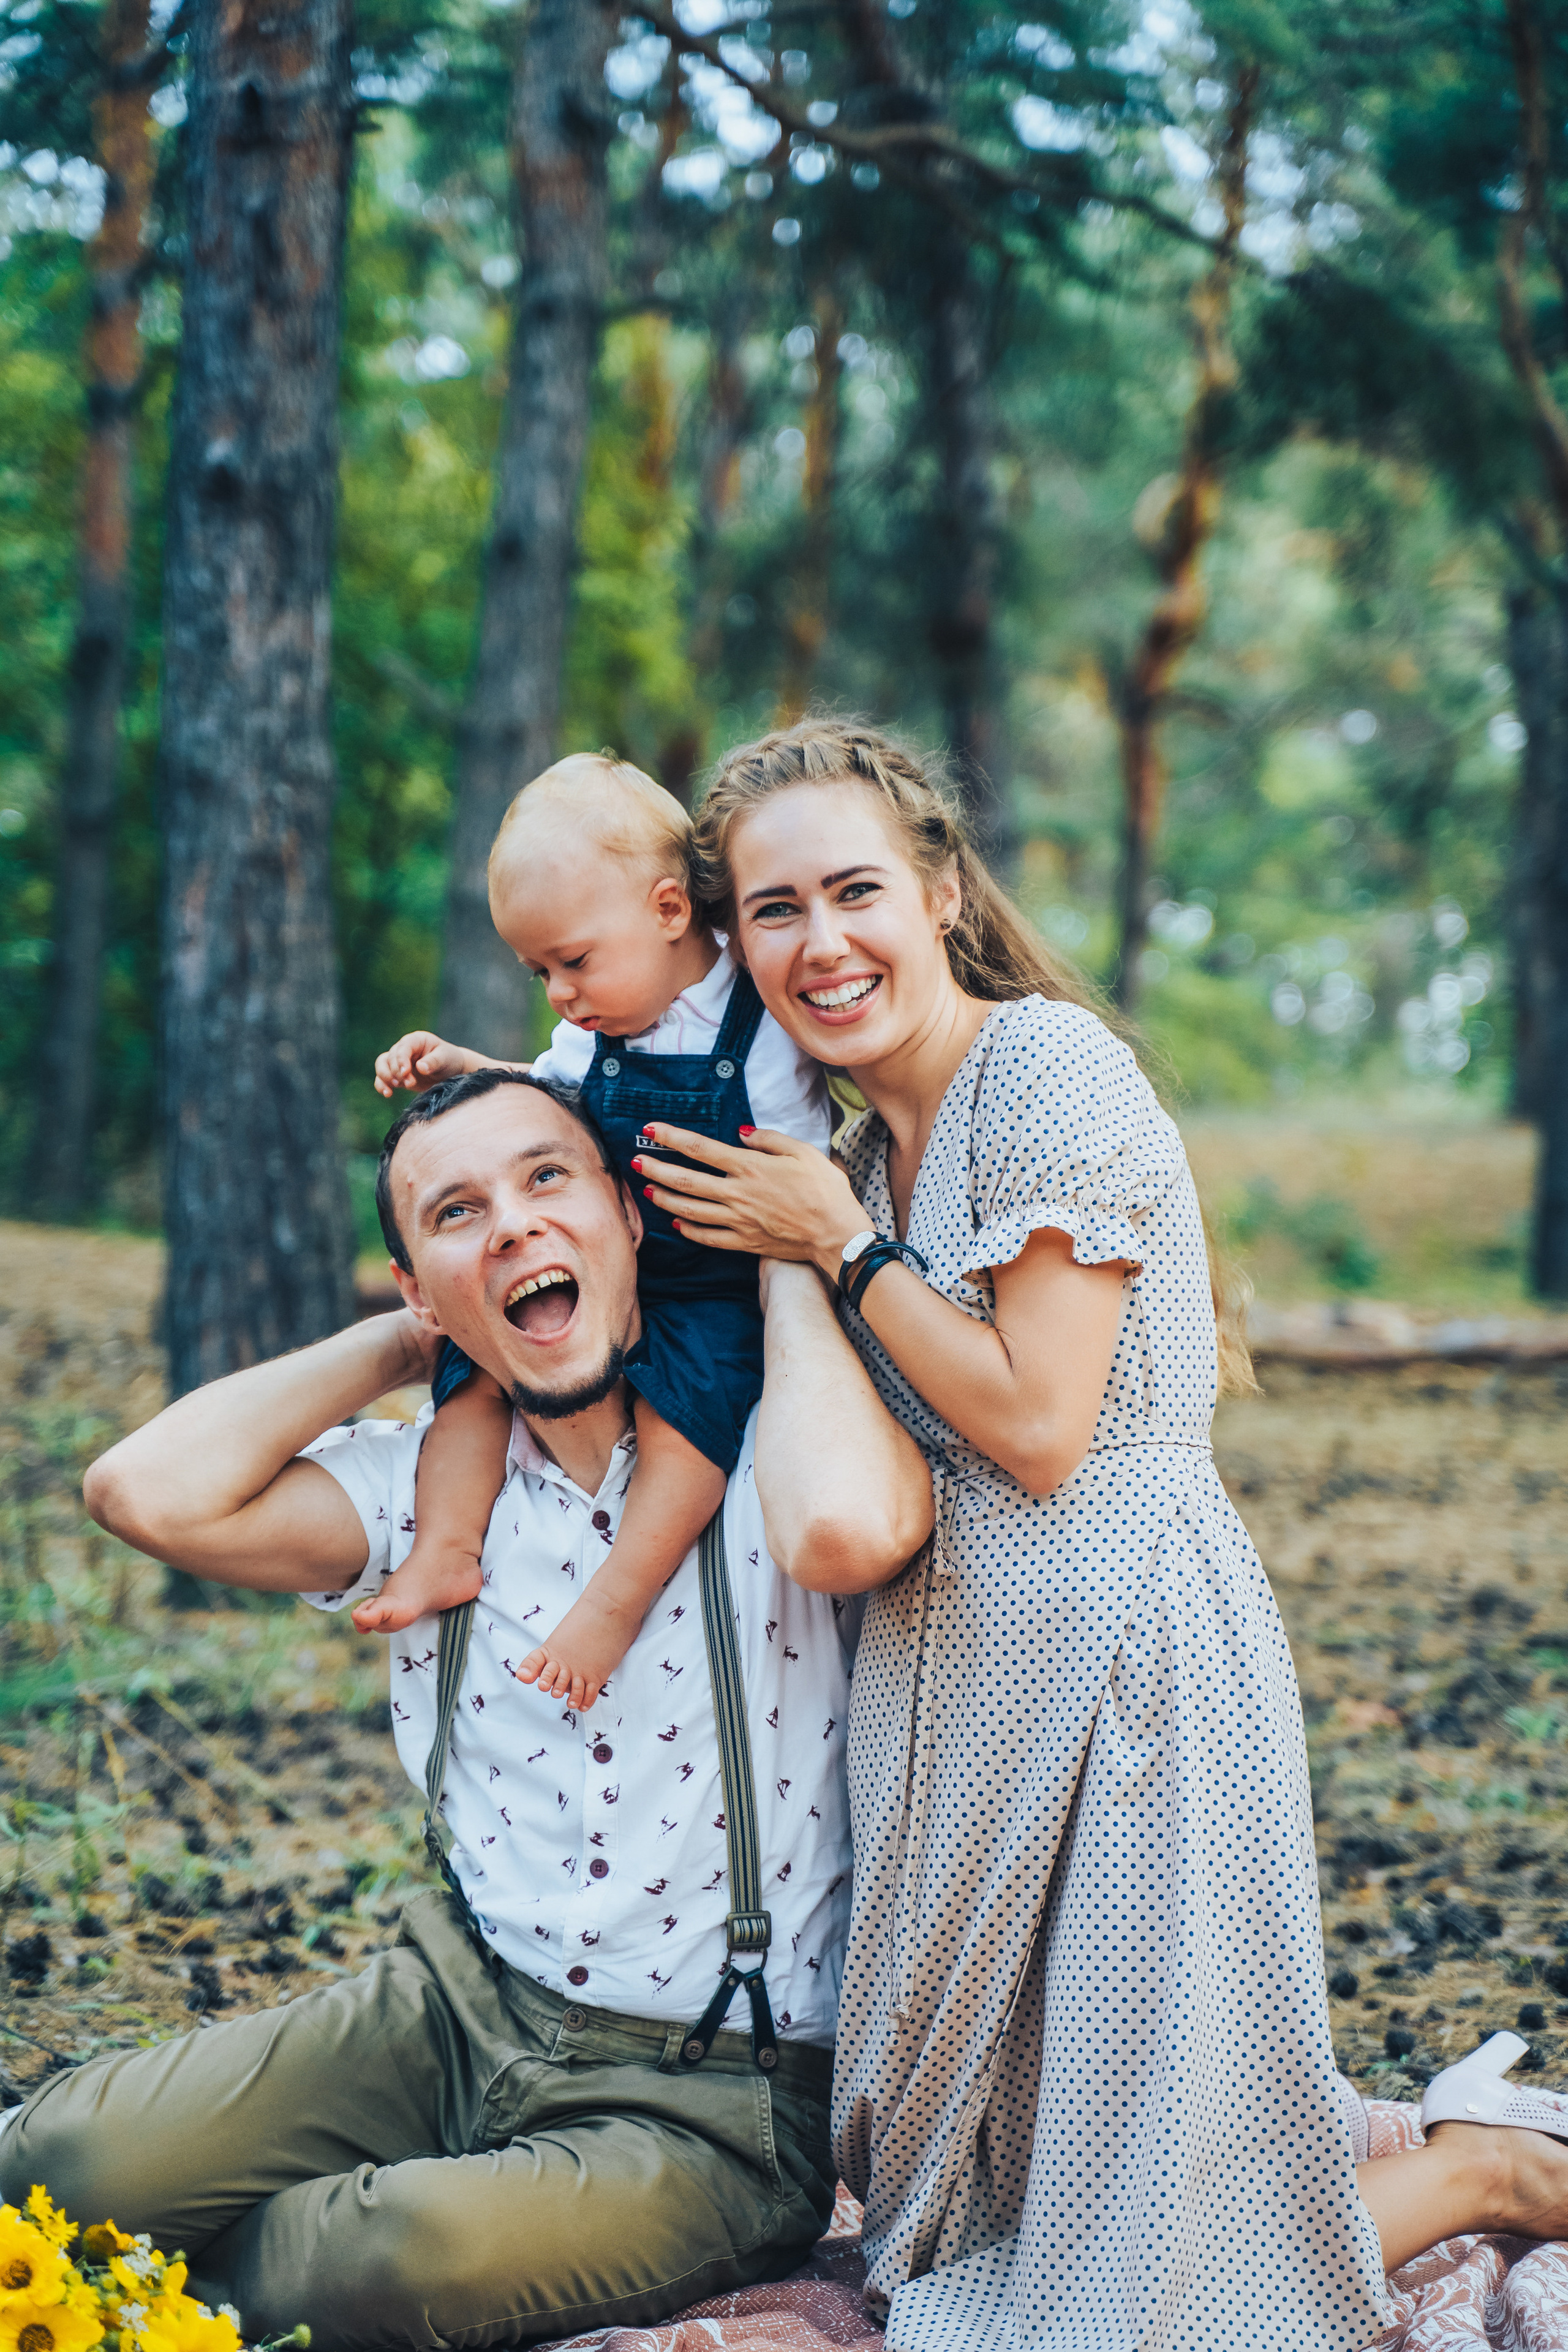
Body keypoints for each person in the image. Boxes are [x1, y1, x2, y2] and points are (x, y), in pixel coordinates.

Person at [627, 717, 1568, 2352]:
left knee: (1113, 2284)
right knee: (982, 2217)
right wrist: (478, 1075)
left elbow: (1041, 1426)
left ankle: (1484, 2174)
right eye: (772, 911)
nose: (820, 942)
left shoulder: (1048, 1073)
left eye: (855, 889)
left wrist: (844, 1250)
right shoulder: (850, 1152)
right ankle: (1387, 2159)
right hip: (950, 1689)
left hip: (1133, 1668)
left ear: (939, 885)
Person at [4, 1067, 933, 2352]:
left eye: (546, 1180)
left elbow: (860, 1523)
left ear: (625, 1214)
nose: (510, 1226)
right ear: (419, 1282)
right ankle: (134, 2282)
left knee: (374, 2256)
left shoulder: (778, 1459)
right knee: (57, 2162)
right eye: (455, 1215)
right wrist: (406, 1344)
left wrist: (782, 1264)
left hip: (711, 2100)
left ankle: (139, 2306)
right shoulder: (422, 1496)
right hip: (453, 2009)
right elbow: (144, 1494)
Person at [364, 753, 832, 1716]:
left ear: (669, 911)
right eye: (538, 972)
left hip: (713, 1285)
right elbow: (553, 1103)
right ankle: (445, 1548)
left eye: (573, 962)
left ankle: (614, 1604)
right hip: (595, 1271)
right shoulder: (594, 1033)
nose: (559, 996)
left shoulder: (766, 1018)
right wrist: (469, 1065)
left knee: (687, 1423)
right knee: (468, 1378)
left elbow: (814, 1170)